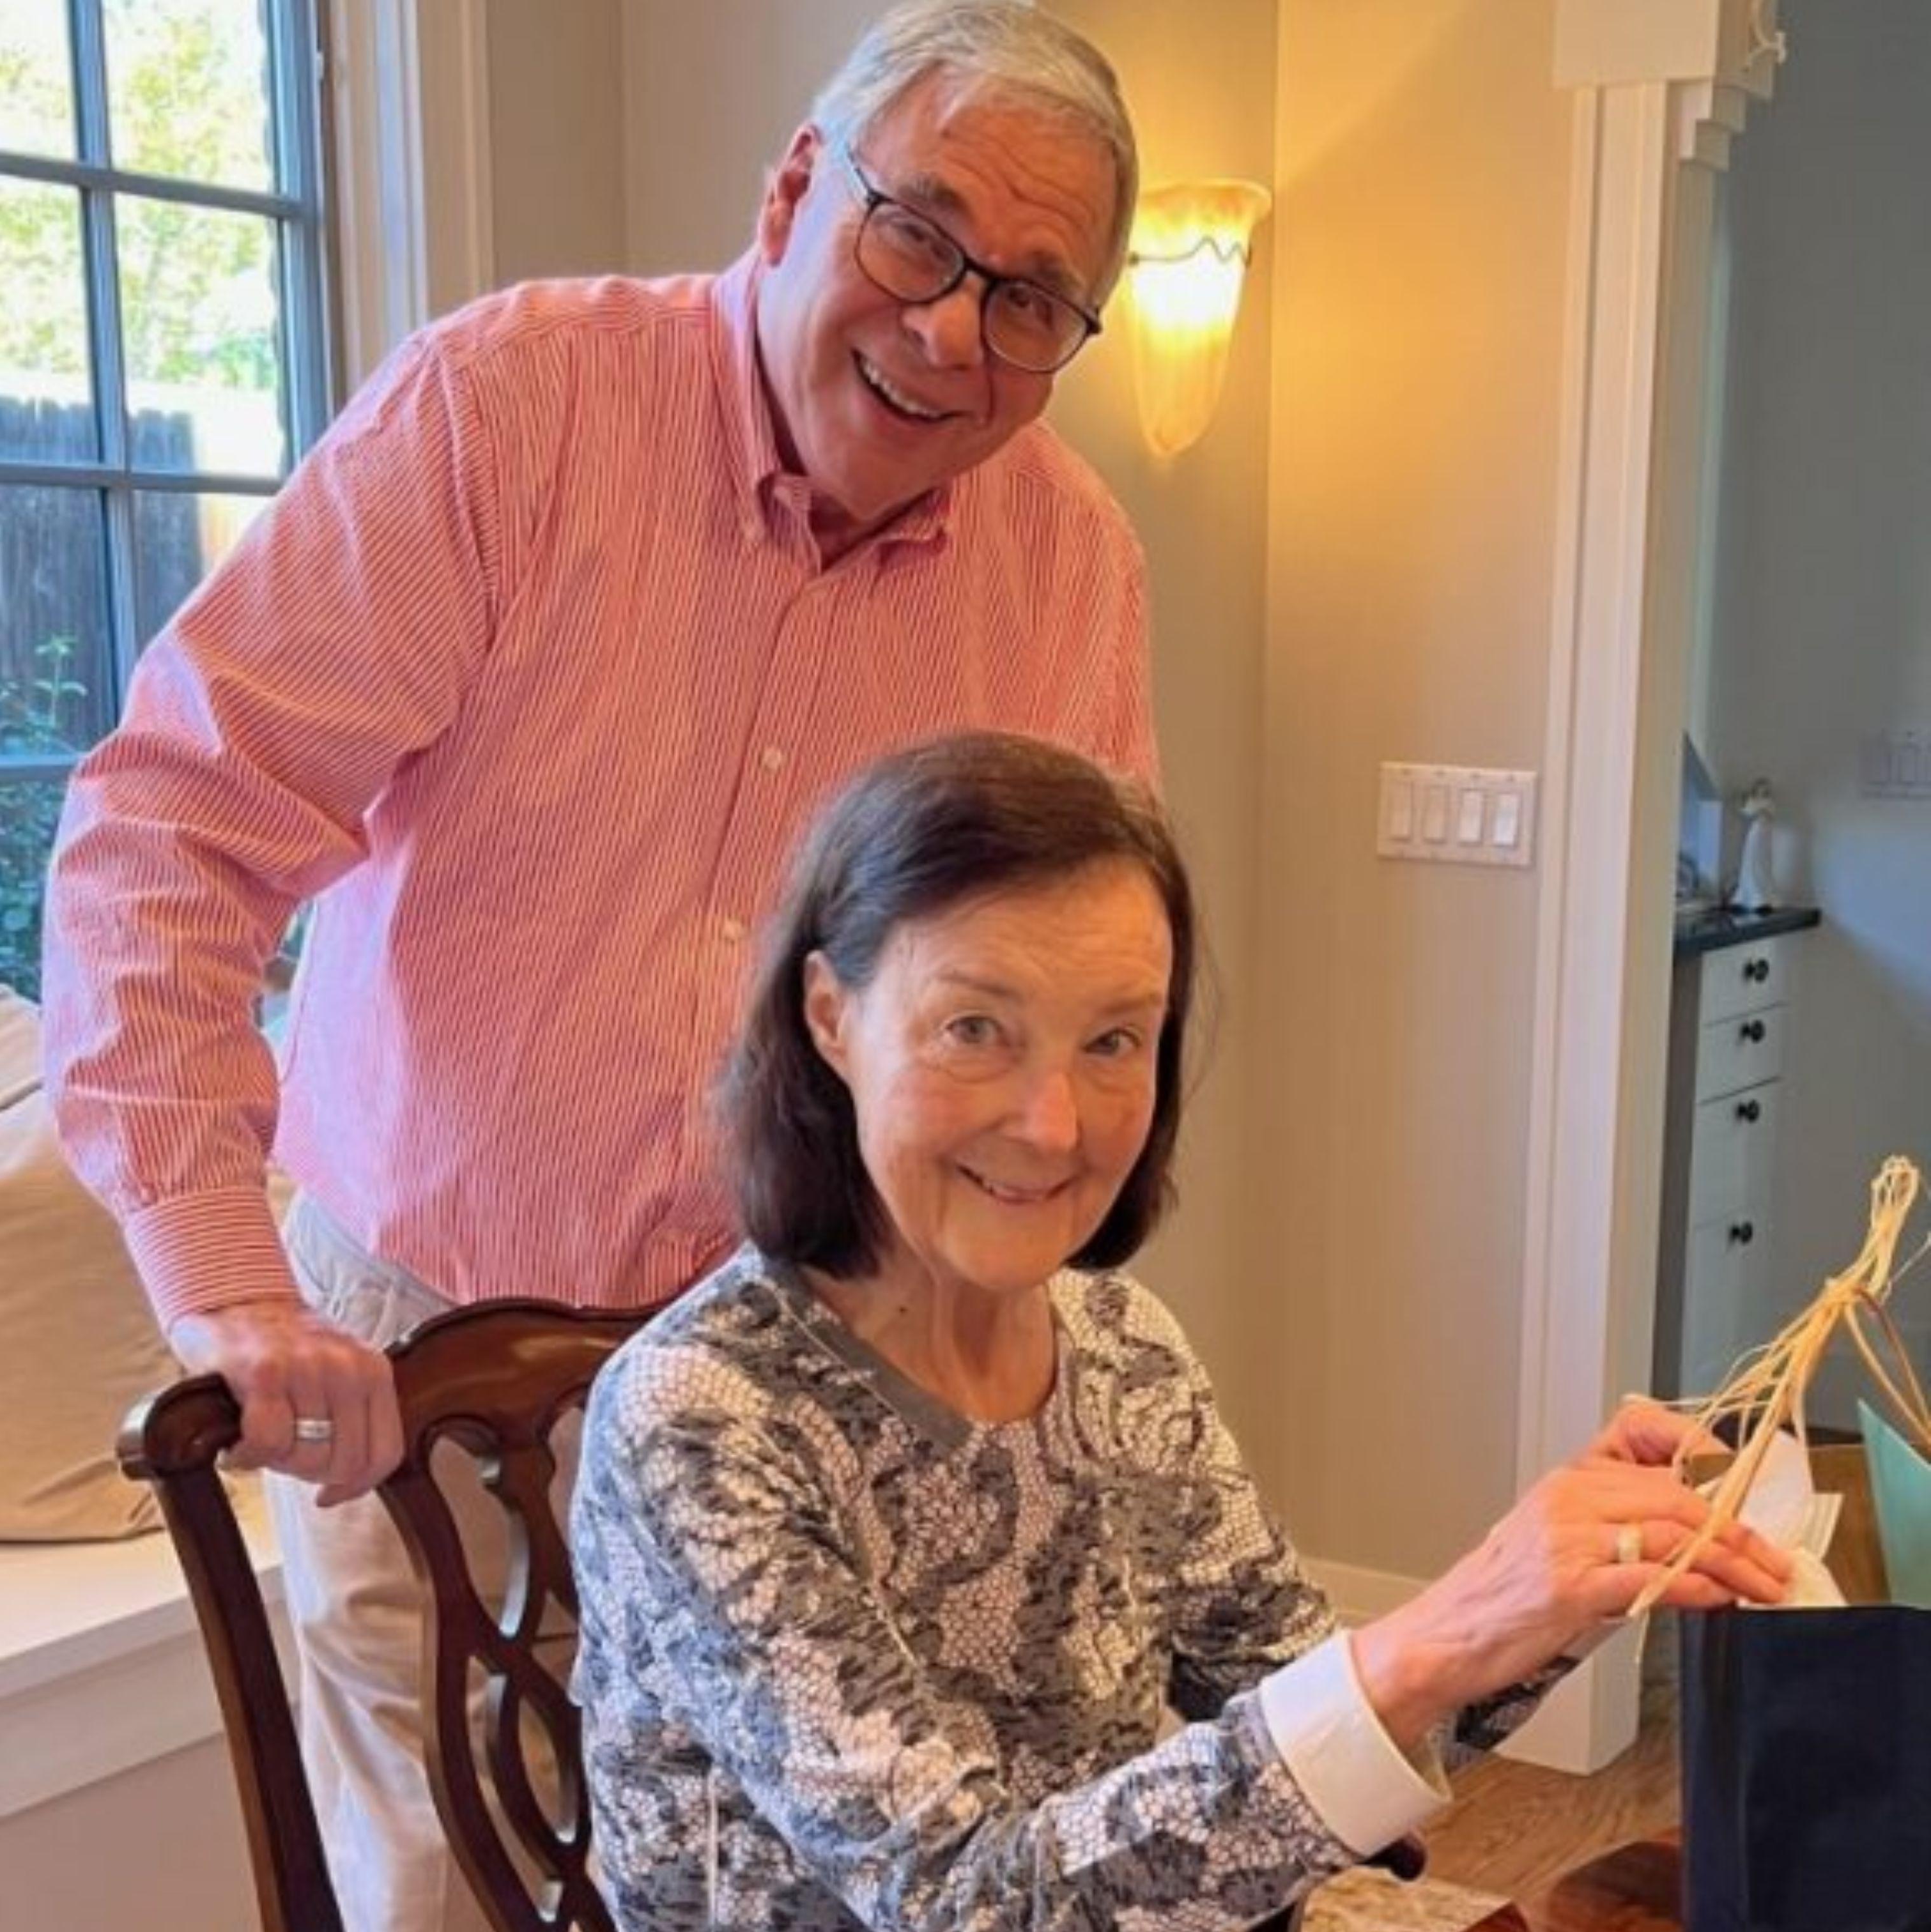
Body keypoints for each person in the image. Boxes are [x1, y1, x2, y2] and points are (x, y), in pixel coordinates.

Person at [40, 6, 1151, 1928]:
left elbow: (1053, 997)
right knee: (448, 1892)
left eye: (1037, 298)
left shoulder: (1068, 566)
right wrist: (227, 1280)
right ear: (799, 188)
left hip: (804, 1387)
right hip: (419, 1352)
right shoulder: (511, 410)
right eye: (920, 236)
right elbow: (172, 830)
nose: (957, 330)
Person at [571, 731, 1792, 1931]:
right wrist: (1447, 1624)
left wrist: (1560, 1588)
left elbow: (1300, 1701)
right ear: (832, 1016)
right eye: (975, 1029)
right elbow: (972, 1905)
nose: (1054, 1125)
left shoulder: (1118, 1346)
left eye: (1113, 1041)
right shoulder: (704, 1419)